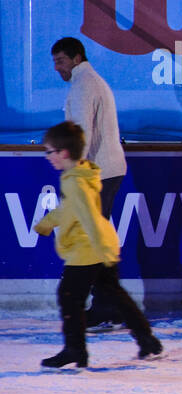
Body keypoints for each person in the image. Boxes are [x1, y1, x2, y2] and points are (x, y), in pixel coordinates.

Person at [34, 121, 162, 368]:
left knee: (69, 297)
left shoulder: (75, 182)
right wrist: (48, 223)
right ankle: (148, 341)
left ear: (64, 153)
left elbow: (89, 218)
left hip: (88, 250)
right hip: (100, 245)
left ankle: (75, 350)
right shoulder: (81, 173)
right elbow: (72, 209)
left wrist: (103, 251)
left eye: (50, 151)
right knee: (115, 295)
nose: (48, 157)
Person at [51, 36, 128, 328]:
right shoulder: (88, 82)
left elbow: (80, 134)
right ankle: (108, 305)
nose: (57, 68)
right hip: (105, 170)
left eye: (61, 61)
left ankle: (108, 306)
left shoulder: (85, 85)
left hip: (99, 172)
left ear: (76, 58)